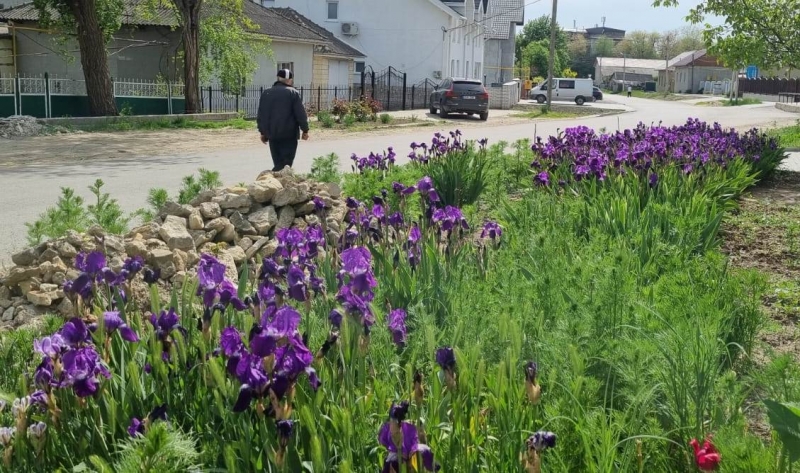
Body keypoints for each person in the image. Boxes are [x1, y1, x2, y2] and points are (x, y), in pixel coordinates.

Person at [257, 69, 309, 172]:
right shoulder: (293, 93)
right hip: (288, 135)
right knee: (286, 164)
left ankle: (276, 183)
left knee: (278, 162)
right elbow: (300, 114)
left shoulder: (266, 93)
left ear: (278, 78)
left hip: (272, 135)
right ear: (290, 80)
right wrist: (305, 130)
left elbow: (261, 114)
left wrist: (262, 132)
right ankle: (273, 181)